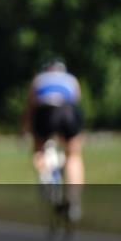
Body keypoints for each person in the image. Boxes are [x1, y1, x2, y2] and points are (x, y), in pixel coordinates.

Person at [22, 57, 84, 221]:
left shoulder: (39, 79)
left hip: (44, 111)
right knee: (73, 155)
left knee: (39, 148)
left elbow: (30, 106)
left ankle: (45, 175)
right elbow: (76, 102)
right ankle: (74, 199)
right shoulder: (71, 79)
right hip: (67, 110)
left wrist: (26, 129)